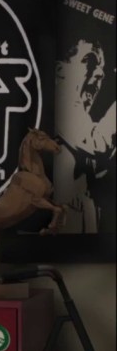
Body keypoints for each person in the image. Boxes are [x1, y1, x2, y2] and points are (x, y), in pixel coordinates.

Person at [54, 36, 115, 233]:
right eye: (90, 61)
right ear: (60, 70)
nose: (100, 74)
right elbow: (97, 142)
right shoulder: (60, 102)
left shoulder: (79, 122)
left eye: (102, 69)